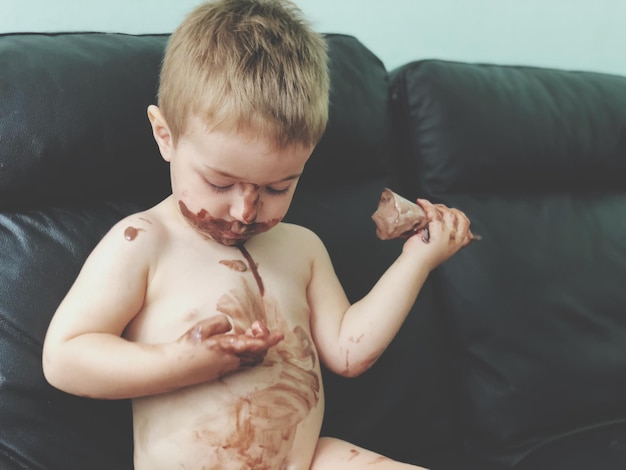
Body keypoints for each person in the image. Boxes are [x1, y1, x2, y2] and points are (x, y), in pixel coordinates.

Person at [42, 1, 473, 468]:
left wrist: (418, 260)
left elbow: (349, 353)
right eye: (219, 183)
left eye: (277, 187)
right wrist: (181, 362)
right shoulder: (144, 241)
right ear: (165, 136)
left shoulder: (302, 247)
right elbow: (65, 358)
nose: (246, 210)